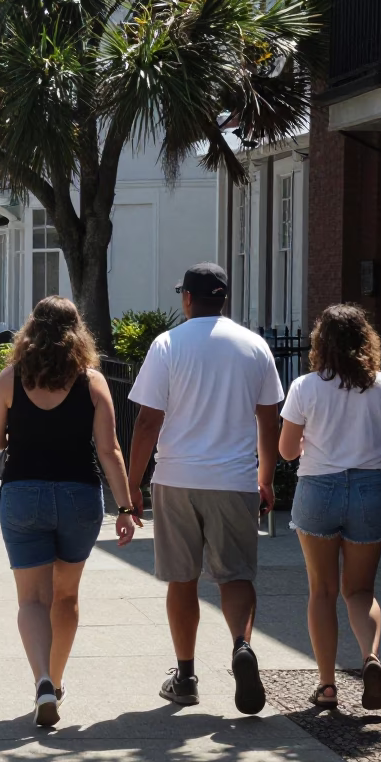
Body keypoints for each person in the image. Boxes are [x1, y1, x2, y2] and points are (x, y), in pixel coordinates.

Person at [127, 263, 283, 716]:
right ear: (224, 299)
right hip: (234, 479)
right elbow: (268, 418)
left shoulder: (168, 345)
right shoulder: (254, 346)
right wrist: (266, 478)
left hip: (176, 478)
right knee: (236, 576)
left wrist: (133, 486)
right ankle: (241, 646)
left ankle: (186, 675)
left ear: (188, 299)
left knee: (182, 579)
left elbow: (148, 421)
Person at [0, 296, 140, 727]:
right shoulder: (92, 381)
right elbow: (109, 450)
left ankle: (43, 681)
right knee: (66, 596)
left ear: (31, 329)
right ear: (78, 332)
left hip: (23, 493)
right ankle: (58, 679)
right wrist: (125, 506)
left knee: (32, 598)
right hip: (79, 496)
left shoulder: (12, 378)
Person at [278, 304, 381, 711]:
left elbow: (286, 452)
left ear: (321, 341)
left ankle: (327, 686)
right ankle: (370, 657)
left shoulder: (305, 387)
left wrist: (311, 444)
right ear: (365, 339)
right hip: (370, 488)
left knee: (322, 590)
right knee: (360, 590)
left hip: (318, 488)